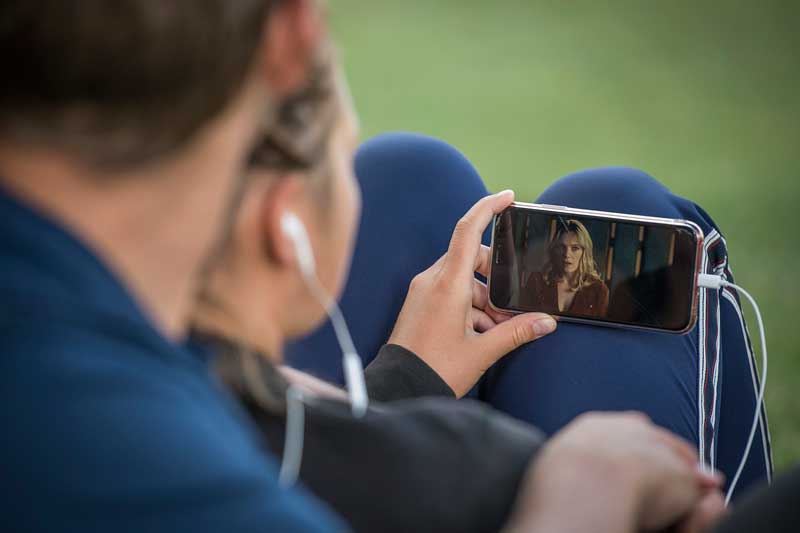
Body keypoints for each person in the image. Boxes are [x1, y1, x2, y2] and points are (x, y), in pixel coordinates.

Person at [0, 1, 730, 532]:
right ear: (292, 32)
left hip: (398, 413)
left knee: (412, 174)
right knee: (625, 205)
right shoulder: (135, 460)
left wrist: (407, 377)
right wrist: (583, 496)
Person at [520, 218, 609, 317]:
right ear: (555, 249)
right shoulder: (537, 281)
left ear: (585, 252)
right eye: (561, 247)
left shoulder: (599, 290)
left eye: (575, 248)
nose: (567, 254)